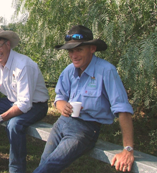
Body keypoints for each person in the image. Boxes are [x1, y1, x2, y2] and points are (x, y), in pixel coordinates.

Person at [33, 25, 134, 173]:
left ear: (92, 48)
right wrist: (63, 107)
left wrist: (128, 149)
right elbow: (59, 98)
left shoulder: (106, 70)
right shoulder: (69, 70)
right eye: (71, 51)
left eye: (79, 49)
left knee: (48, 167)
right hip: (62, 123)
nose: (74, 55)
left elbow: (123, 109)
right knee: (45, 164)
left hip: (85, 130)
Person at [0, 26, 49, 173]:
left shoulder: (23, 65)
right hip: (13, 101)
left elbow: (25, 103)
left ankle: (16, 169)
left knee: (14, 125)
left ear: (8, 44)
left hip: (35, 105)